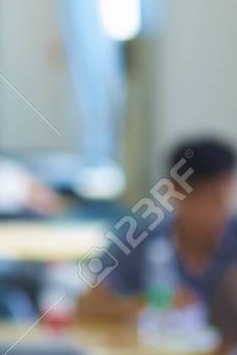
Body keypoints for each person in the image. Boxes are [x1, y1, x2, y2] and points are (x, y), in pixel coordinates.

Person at [76, 137, 237, 326]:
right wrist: (148, 304)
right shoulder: (138, 239)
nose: (212, 213)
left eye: (219, 200)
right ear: (174, 192)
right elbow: (86, 308)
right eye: (201, 199)